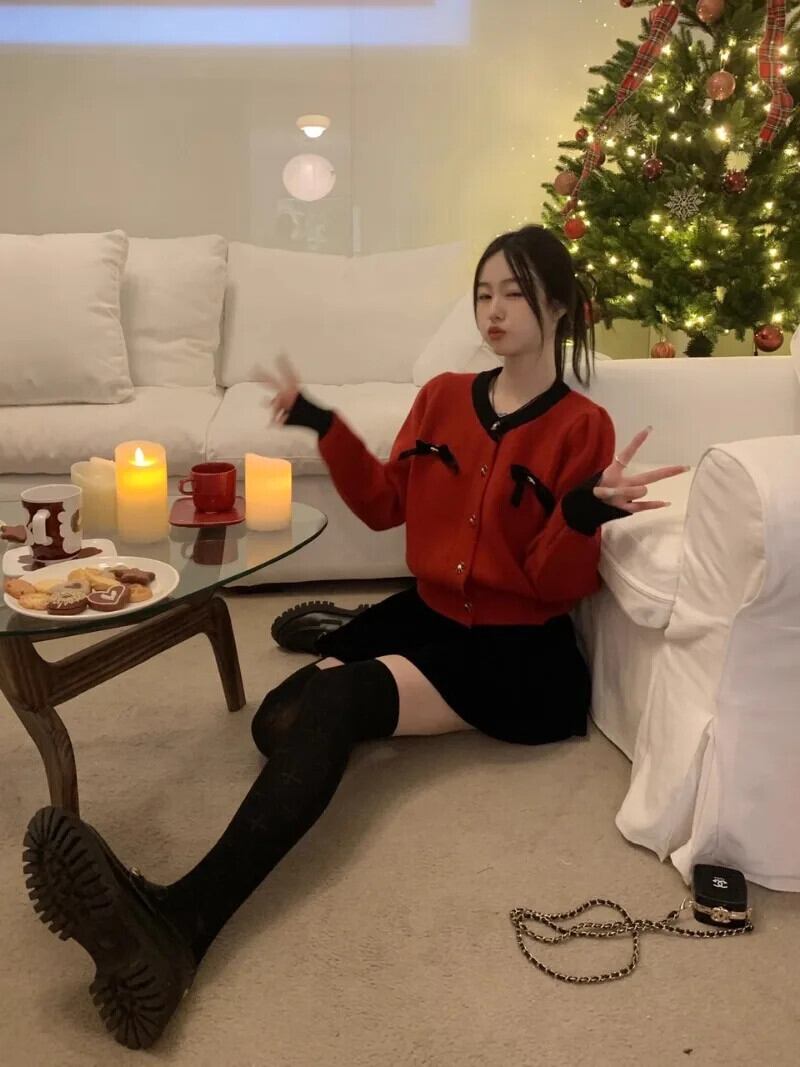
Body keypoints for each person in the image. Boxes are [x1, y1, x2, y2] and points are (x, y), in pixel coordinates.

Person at [22, 224, 688, 1050]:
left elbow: (556, 583)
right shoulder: (442, 396)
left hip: (513, 651)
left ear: (557, 306)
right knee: (278, 723)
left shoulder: (583, 427)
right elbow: (382, 505)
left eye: (515, 294)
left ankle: (181, 923)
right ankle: (346, 632)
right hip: (430, 612)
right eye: (483, 293)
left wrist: (583, 511)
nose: (493, 310)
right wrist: (320, 421)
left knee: (336, 701)